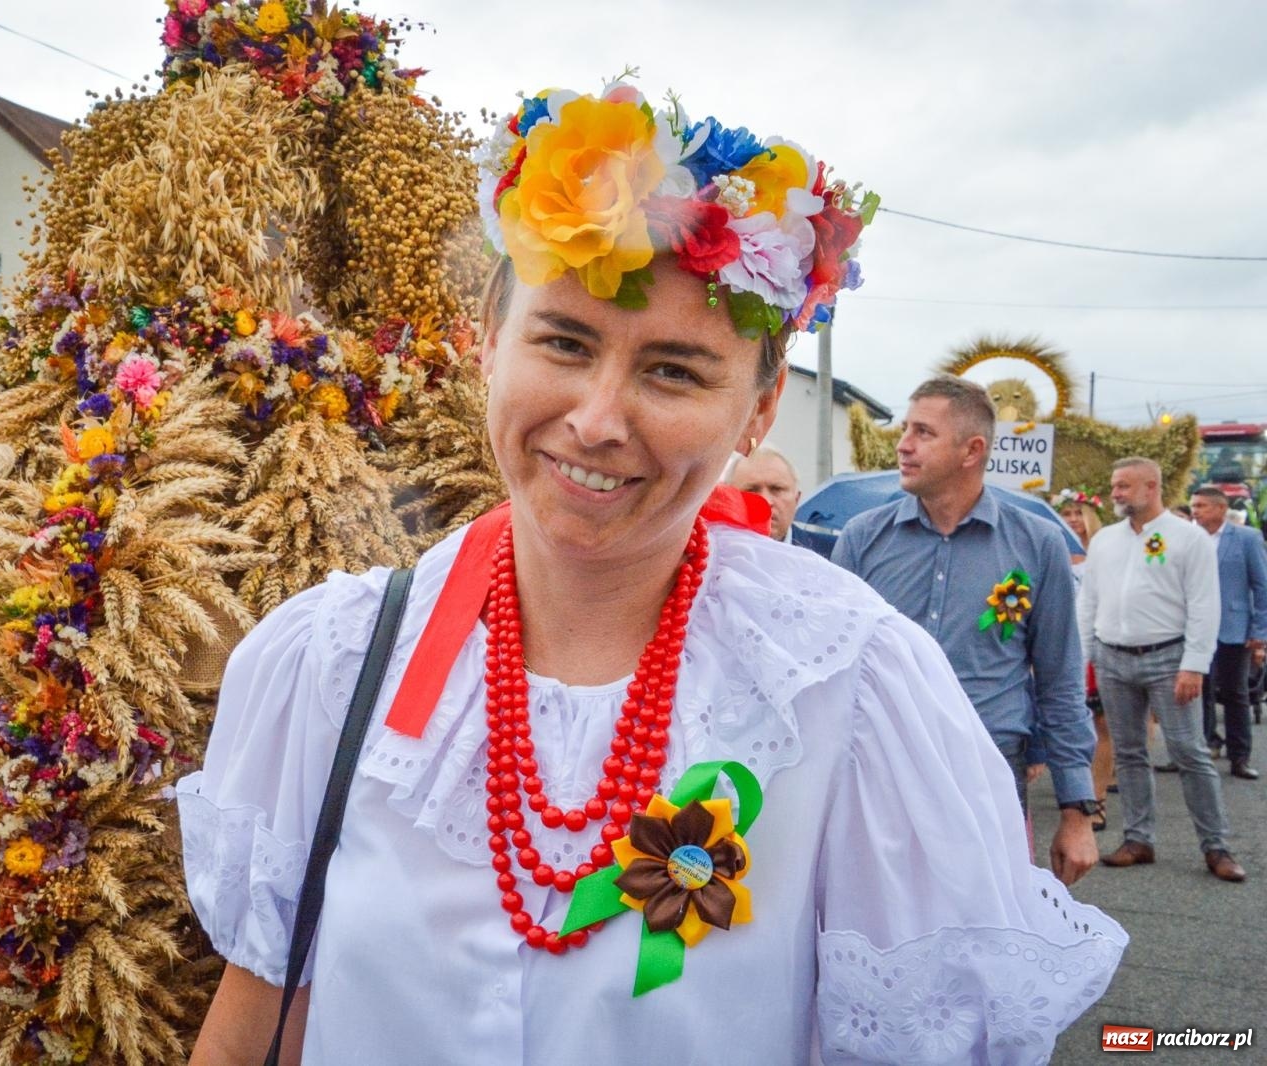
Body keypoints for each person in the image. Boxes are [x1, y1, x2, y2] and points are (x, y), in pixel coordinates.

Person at [178, 82, 1123, 1064]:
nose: (596, 417)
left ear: (756, 413)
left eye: (674, 370)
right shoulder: (333, 662)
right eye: (564, 341)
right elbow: (266, 1010)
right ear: (489, 339)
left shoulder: (848, 687)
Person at [832, 375, 1100, 882]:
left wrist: (1076, 811)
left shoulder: (1037, 545)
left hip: (989, 773)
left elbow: (1061, 680)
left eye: (923, 433)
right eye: (905, 429)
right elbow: (835, 668)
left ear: (971, 450)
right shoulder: (862, 538)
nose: (903, 445)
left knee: (983, 934)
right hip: (882, 773)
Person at [1078, 458, 1243, 881]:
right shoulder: (1106, 541)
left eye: (1123, 486)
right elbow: (1089, 602)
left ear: (1151, 486)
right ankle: (1138, 839)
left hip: (1169, 658)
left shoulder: (1188, 539)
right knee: (1129, 753)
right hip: (1113, 658)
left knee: (1189, 752)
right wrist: (1082, 658)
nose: (1115, 493)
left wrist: (1194, 665)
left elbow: (1206, 605)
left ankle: (1216, 846)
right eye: (1114, 486)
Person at [1190, 485, 1267, 779]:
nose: (1195, 512)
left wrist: (1260, 631)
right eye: (1193, 506)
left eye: (1201, 506)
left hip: (1234, 629)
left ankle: (1240, 756)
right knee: (1198, 692)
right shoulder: (1190, 537)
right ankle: (1203, 747)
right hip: (1196, 629)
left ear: (1221, 509)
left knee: (1235, 694)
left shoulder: (1247, 538)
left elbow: (1261, 585)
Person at [1056, 489, 1115, 823]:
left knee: (1099, 725)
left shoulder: (1102, 554)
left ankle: (1098, 799)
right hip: (1057, 642)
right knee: (1063, 721)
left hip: (1092, 645)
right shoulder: (1050, 551)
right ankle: (1071, 785)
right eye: (1067, 514)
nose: (1073, 521)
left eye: (1079, 514)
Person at [720, 446, 801, 542]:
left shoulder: (822, 550)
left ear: (796, 499)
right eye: (751, 490)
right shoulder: (710, 551)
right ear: (729, 501)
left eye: (777, 489)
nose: (766, 502)